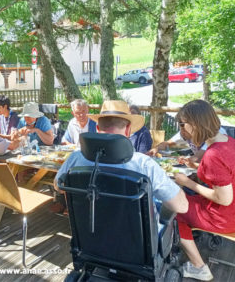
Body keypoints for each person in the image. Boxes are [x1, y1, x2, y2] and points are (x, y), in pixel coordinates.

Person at [54, 100, 188, 216]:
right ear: (128, 129)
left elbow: (58, 186)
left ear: (97, 128)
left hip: (88, 236)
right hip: (134, 241)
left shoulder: (76, 157)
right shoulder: (143, 164)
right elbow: (182, 207)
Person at [173, 100, 235, 281]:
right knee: (181, 200)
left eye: (183, 124)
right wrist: (196, 167)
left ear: (195, 124)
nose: (182, 129)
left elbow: (224, 199)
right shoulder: (228, 141)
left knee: (174, 211)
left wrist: (188, 182)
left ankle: (199, 267)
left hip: (226, 215)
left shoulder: (213, 154)